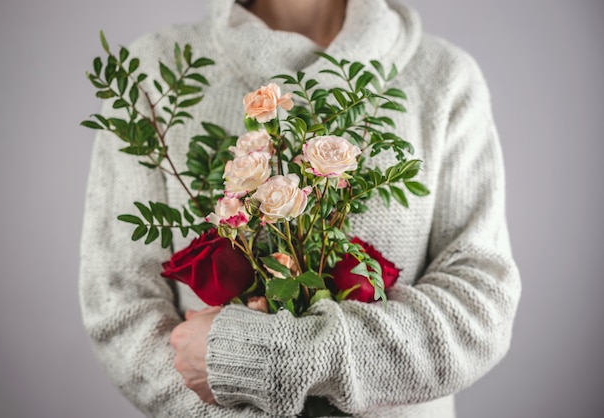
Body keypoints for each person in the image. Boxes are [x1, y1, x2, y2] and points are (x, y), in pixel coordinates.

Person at [79, 0, 521, 417]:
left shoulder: (443, 77)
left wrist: (260, 359)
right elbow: (121, 305)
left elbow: (480, 306)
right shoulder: (154, 71)